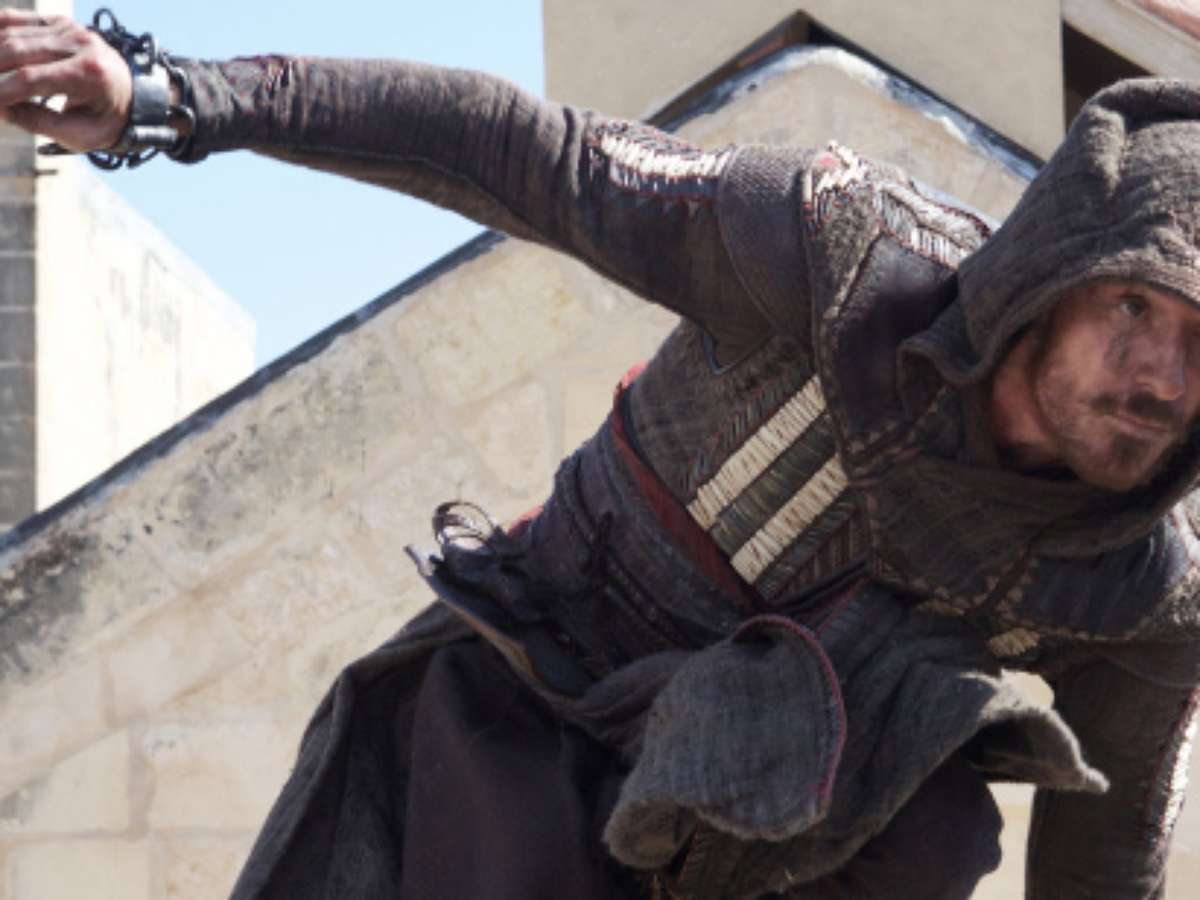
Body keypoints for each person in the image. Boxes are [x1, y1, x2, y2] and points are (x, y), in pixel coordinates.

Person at [3, 7, 1199, 898]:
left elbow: (1105, 867)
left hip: (769, 862)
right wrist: (172, 94)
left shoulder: (1142, 588)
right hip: (521, 740)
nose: (1161, 378)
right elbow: (526, 155)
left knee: (935, 820)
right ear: (1051, 279)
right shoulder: (835, 257)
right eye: (1133, 306)